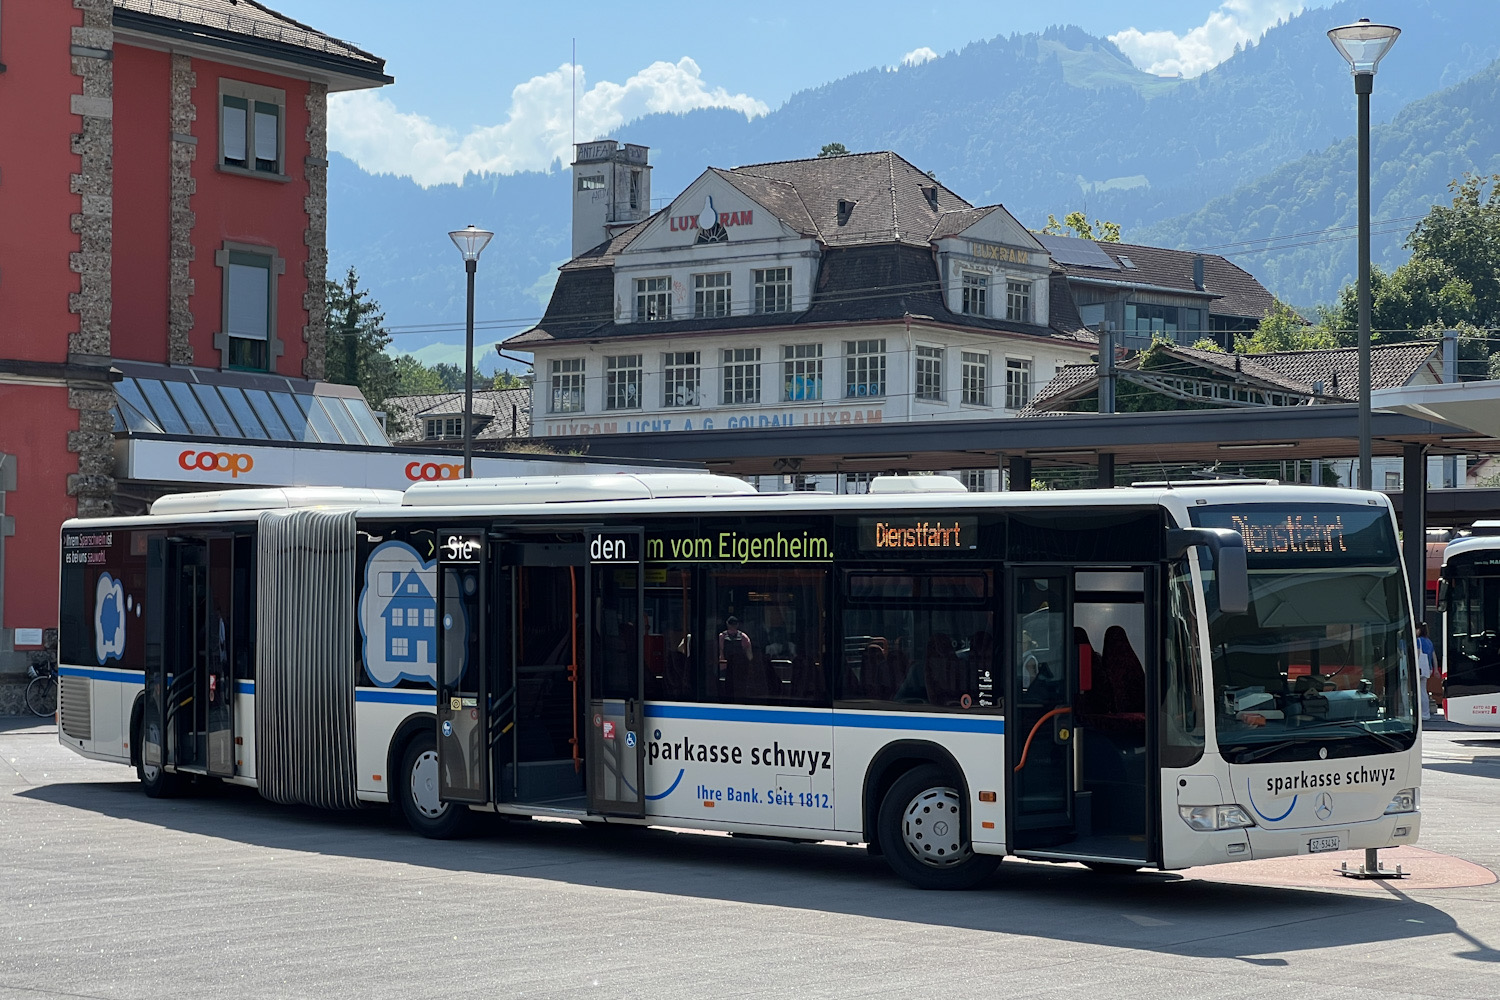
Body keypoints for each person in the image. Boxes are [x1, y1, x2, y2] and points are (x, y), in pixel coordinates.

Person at [1416, 621, 1435, 721]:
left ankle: (1421, 712)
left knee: (1419, 691)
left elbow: (1417, 654)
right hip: (1428, 667)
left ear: (1419, 630)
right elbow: (1433, 656)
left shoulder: (1418, 640)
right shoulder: (1429, 641)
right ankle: (1426, 712)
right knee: (1424, 690)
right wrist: (1434, 669)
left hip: (1419, 668)